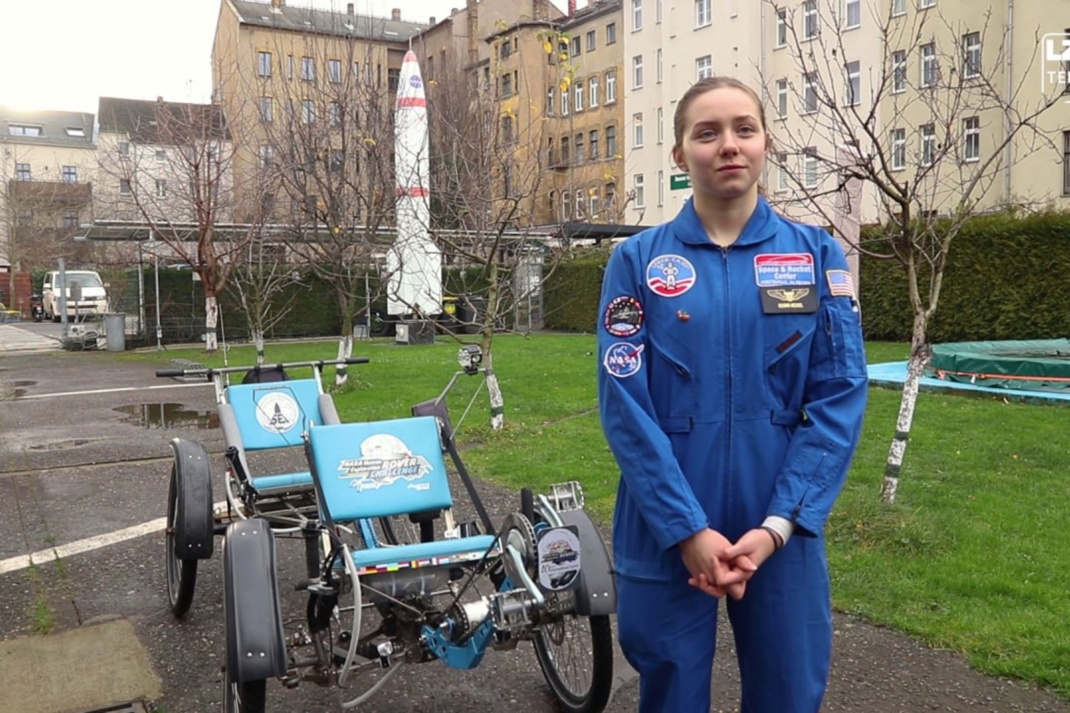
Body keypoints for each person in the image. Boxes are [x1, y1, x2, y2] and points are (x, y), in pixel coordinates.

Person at [596, 75, 868, 712]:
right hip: (665, 518)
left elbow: (839, 396)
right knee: (668, 694)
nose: (728, 146)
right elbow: (624, 403)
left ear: (766, 142)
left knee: (787, 692)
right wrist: (686, 529)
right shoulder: (636, 263)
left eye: (744, 129)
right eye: (707, 132)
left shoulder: (816, 255)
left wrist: (777, 527)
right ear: (678, 154)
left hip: (779, 515)